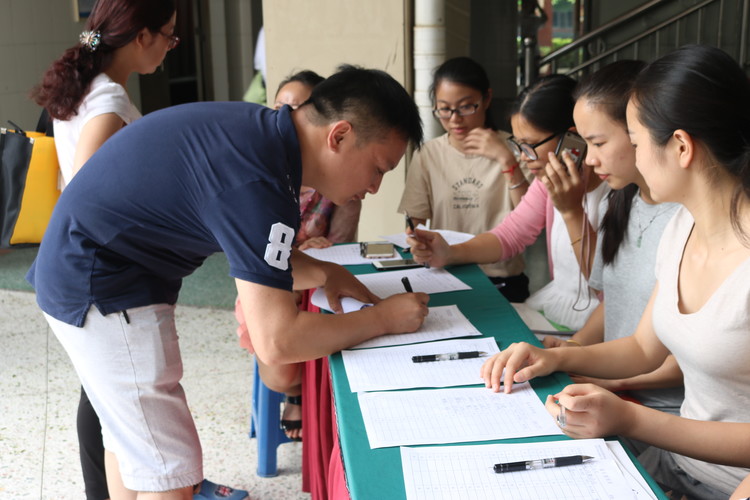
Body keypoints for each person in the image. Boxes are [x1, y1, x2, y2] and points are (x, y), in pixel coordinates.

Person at [27, 65, 429, 498]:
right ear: (340, 136)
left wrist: (327, 272)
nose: (374, 186)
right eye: (378, 168)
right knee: (171, 474)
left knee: (135, 445)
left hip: (85, 269)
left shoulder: (263, 138)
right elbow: (277, 341)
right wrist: (384, 319)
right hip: (102, 286)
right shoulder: (261, 181)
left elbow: (264, 252)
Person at [480, 45, 750, 499]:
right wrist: (557, 357)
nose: (592, 160)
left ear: (681, 147)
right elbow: (644, 347)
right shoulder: (684, 225)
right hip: (675, 468)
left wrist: (629, 417)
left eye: (638, 144)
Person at [31, 2, 246, 499]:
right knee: (157, 452)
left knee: (120, 424)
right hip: (104, 282)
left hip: (81, 275)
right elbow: (89, 195)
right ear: (141, 36)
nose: (172, 49)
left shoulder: (87, 88)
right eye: (169, 37)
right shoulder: (107, 102)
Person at [541, 60, 684, 429]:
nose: (589, 158)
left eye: (599, 142)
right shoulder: (620, 200)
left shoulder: (688, 219)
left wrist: (604, 378)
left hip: (658, 411)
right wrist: (574, 350)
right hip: (616, 392)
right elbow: (614, 301)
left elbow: (681, 357)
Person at [409, 74, 609, 330]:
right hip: (556, 310)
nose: (524, 158)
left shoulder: (616, 190)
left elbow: (603, 284)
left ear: (573, 140)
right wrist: (449, 253)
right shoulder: (547, 181)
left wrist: (571, 212)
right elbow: (510, 235)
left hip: (599, 323)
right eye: (519, 146)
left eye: (531, 145)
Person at [235, 69, 362, 441]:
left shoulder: (336, 179)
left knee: (331, 314)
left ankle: (317, 398)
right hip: (268, 279)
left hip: (314, 277)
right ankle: (295, 392)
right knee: (284, 364)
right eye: (280, 106)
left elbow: (339, 244)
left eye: (297, 108)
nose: (286, 117)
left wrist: (307, 254)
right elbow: (254, 251)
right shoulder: (263, 173)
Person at [398, 57, 531, 302]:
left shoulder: (517, 149)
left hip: (502, 279)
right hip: (444, 274)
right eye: (445, 109)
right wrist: (415, 241)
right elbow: (414, 222)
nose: (455, 119)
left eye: (466, 107)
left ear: (487, 99)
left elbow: (532, 216)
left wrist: (506, 160)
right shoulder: (428, 154)